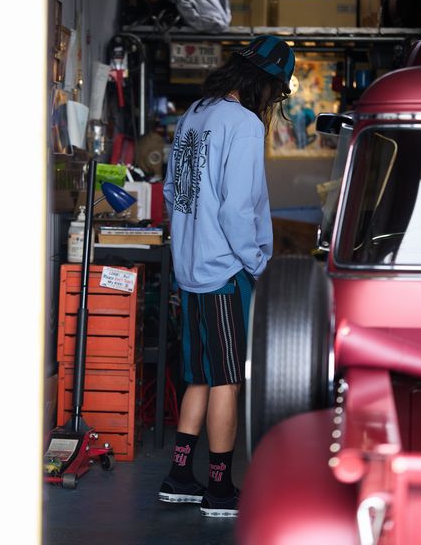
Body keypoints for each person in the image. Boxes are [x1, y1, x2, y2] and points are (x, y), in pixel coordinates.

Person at [159, 35, 296, 518]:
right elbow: (238, 209)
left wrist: (188, 245)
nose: (273, 103)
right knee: (228, 380)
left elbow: (172, 192)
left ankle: (180, 475)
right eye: (276, 94)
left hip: (191, 269)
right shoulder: (243, 124)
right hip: (225, 271)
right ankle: (219, 488)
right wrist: (259, 265)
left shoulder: (194, 114)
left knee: (199, 375)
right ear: (266, 84)